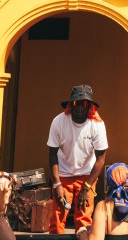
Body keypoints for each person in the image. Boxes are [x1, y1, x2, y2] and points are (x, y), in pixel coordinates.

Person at [47, 84, 108, 236]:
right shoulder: (59, 122)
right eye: (76, 103)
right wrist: (56, 183)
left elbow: (101, 158)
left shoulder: (97, 125)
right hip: (63, 175)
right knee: (57, 218)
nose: (80, 107)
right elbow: (52, 153)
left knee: (84, 220)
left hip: (87, 176)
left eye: (84, 104)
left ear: (90, 107)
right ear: (70, 105)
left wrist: (86, 188)